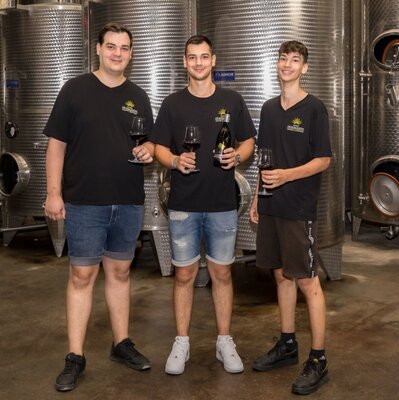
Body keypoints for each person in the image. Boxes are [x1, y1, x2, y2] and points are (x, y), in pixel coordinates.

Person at [43, 22, 154, 392]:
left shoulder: (138, 95)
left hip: (127, 199)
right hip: (84, 201)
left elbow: (149, 145)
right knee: (82, 277)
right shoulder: (74, 90)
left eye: (124, 47)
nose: (117, 53)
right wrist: (53, 193)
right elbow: (56, 145)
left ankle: (121, 344)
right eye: (111, 46)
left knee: (120, 273)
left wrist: (149, 150)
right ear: (98, 48)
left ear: (130, 53)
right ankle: (75, 356)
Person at [150, 35, 256, 375]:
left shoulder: (232, 100)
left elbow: (249, 140)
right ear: (185, 62)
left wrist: (238, 155)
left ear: (214, 61)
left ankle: (224, 340)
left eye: (204, 56)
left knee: (222, 273)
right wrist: (173, 160)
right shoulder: (172, 104)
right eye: (192, 57)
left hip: (223, 203)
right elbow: (157, 147)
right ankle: (181, 342)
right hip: (183, 204)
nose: (198, 62)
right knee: (184, 275)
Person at [249, 40, 332, 395]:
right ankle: (287, 344)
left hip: (298, 207)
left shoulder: (314, 109)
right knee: (280, 275)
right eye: (283, 59)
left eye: (295, 60)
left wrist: (287, 176)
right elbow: (263, 159)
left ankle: (318, 359)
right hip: (270, 207)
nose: (287, 64)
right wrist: (256, 198)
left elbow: (323, 160)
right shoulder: (268, 109)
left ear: (304, 68)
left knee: (307, 282)